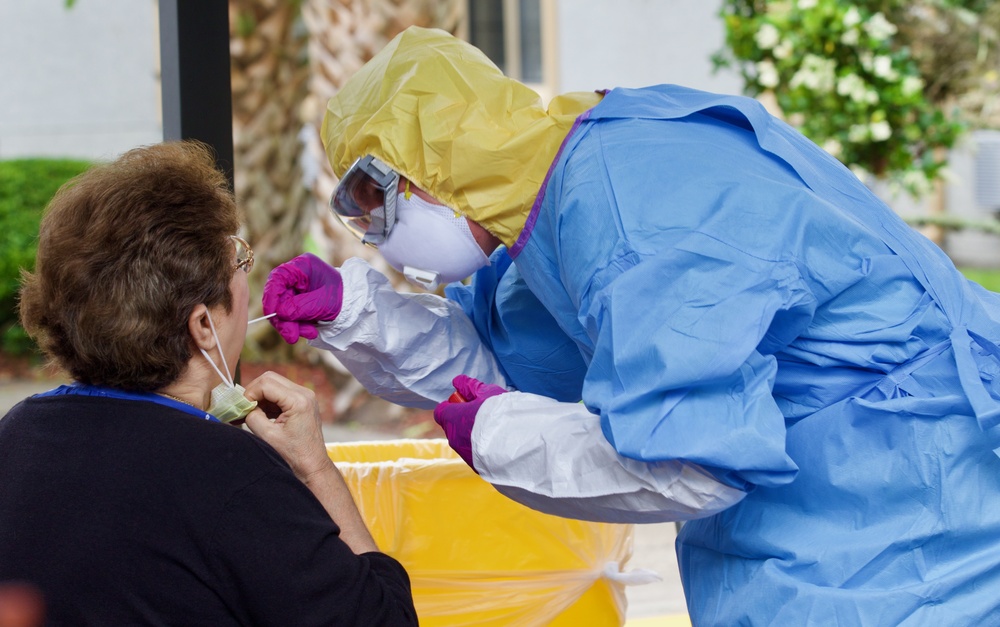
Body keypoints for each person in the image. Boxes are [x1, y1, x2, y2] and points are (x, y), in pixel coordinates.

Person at [263, 25, 1000, 625]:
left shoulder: (628, 212)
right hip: (814, 517)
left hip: (906, 506)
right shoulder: (541, 211)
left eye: (376, 198)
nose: (373, 233)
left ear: (437, 164)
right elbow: (508, 364)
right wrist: (357, 316)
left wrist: (500, 437)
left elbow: (692, 460)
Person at [0, 142, 418, 626]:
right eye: (238, 260)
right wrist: (315, 471)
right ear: (201, 326)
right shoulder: (233, 474)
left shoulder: (17, 433)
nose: (248, 278)